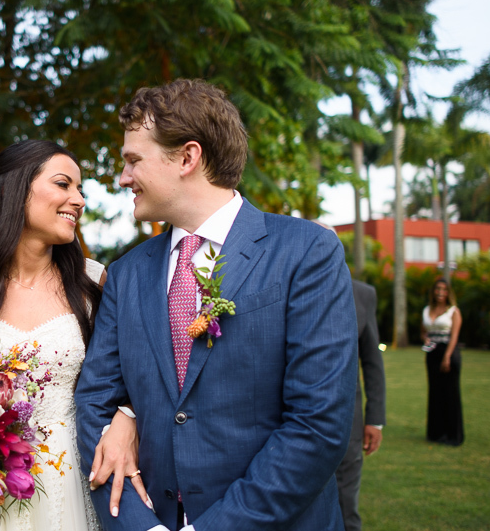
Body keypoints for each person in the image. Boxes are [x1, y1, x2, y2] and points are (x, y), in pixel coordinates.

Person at [75, 79, 357, 531]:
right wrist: (141, 526)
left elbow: (317, 423)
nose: (123, 177)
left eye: (133, 160)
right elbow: (94, 403)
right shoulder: (126, 274)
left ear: (187, 158)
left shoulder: (306, 252)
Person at [0, 140, 143, 531]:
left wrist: (126, 419)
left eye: (80, 189)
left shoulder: (93, 283)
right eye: (63, 184)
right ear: (15, 190)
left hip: (73, 475)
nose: (79, 200)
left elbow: (130, 379)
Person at [336, 279, 386, 531]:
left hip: (349, 418)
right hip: (290, 418)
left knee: (346, 505)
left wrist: (375, 419)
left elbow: (372, 361)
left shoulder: (363, 295)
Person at [421, 277, 464, 446]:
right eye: (437, 288)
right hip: (432, 353)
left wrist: (447, 356)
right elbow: (423, 331)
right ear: (433, 291)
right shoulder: (427, 310)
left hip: (448, 352)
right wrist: (425, 339)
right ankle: (435, 433)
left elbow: (454, 336)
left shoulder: (453, 311)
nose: (440, 292)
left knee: (450, 393)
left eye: (444, 289)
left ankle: (453, 435)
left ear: (448, 293)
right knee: (435, 392)